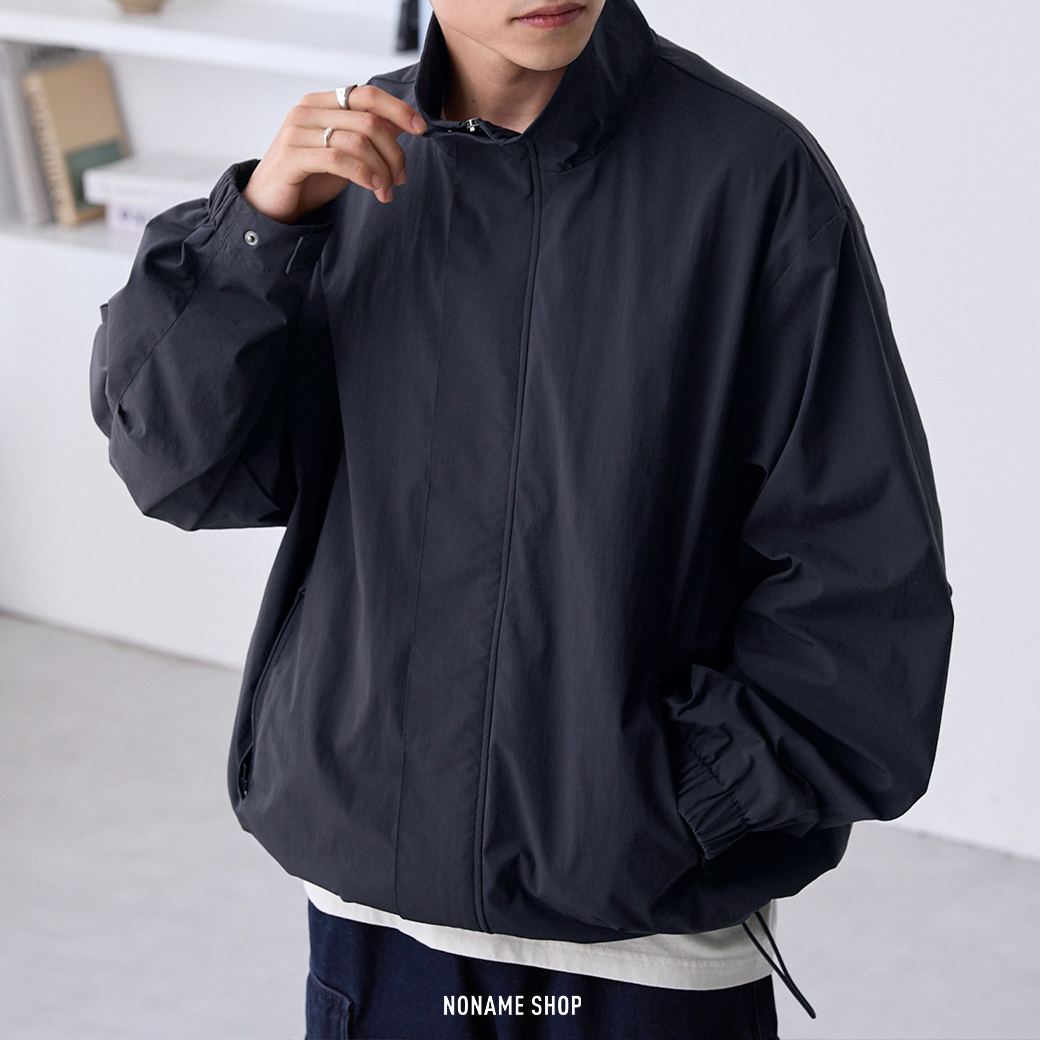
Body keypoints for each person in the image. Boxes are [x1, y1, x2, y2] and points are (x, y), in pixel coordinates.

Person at [88, 0, 955, 1036]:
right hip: (376, 930)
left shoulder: (752, 179)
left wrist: (668, 808)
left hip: (644, 955)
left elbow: (861, 591)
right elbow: (177, 469)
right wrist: (257, 231)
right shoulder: (340, 177)